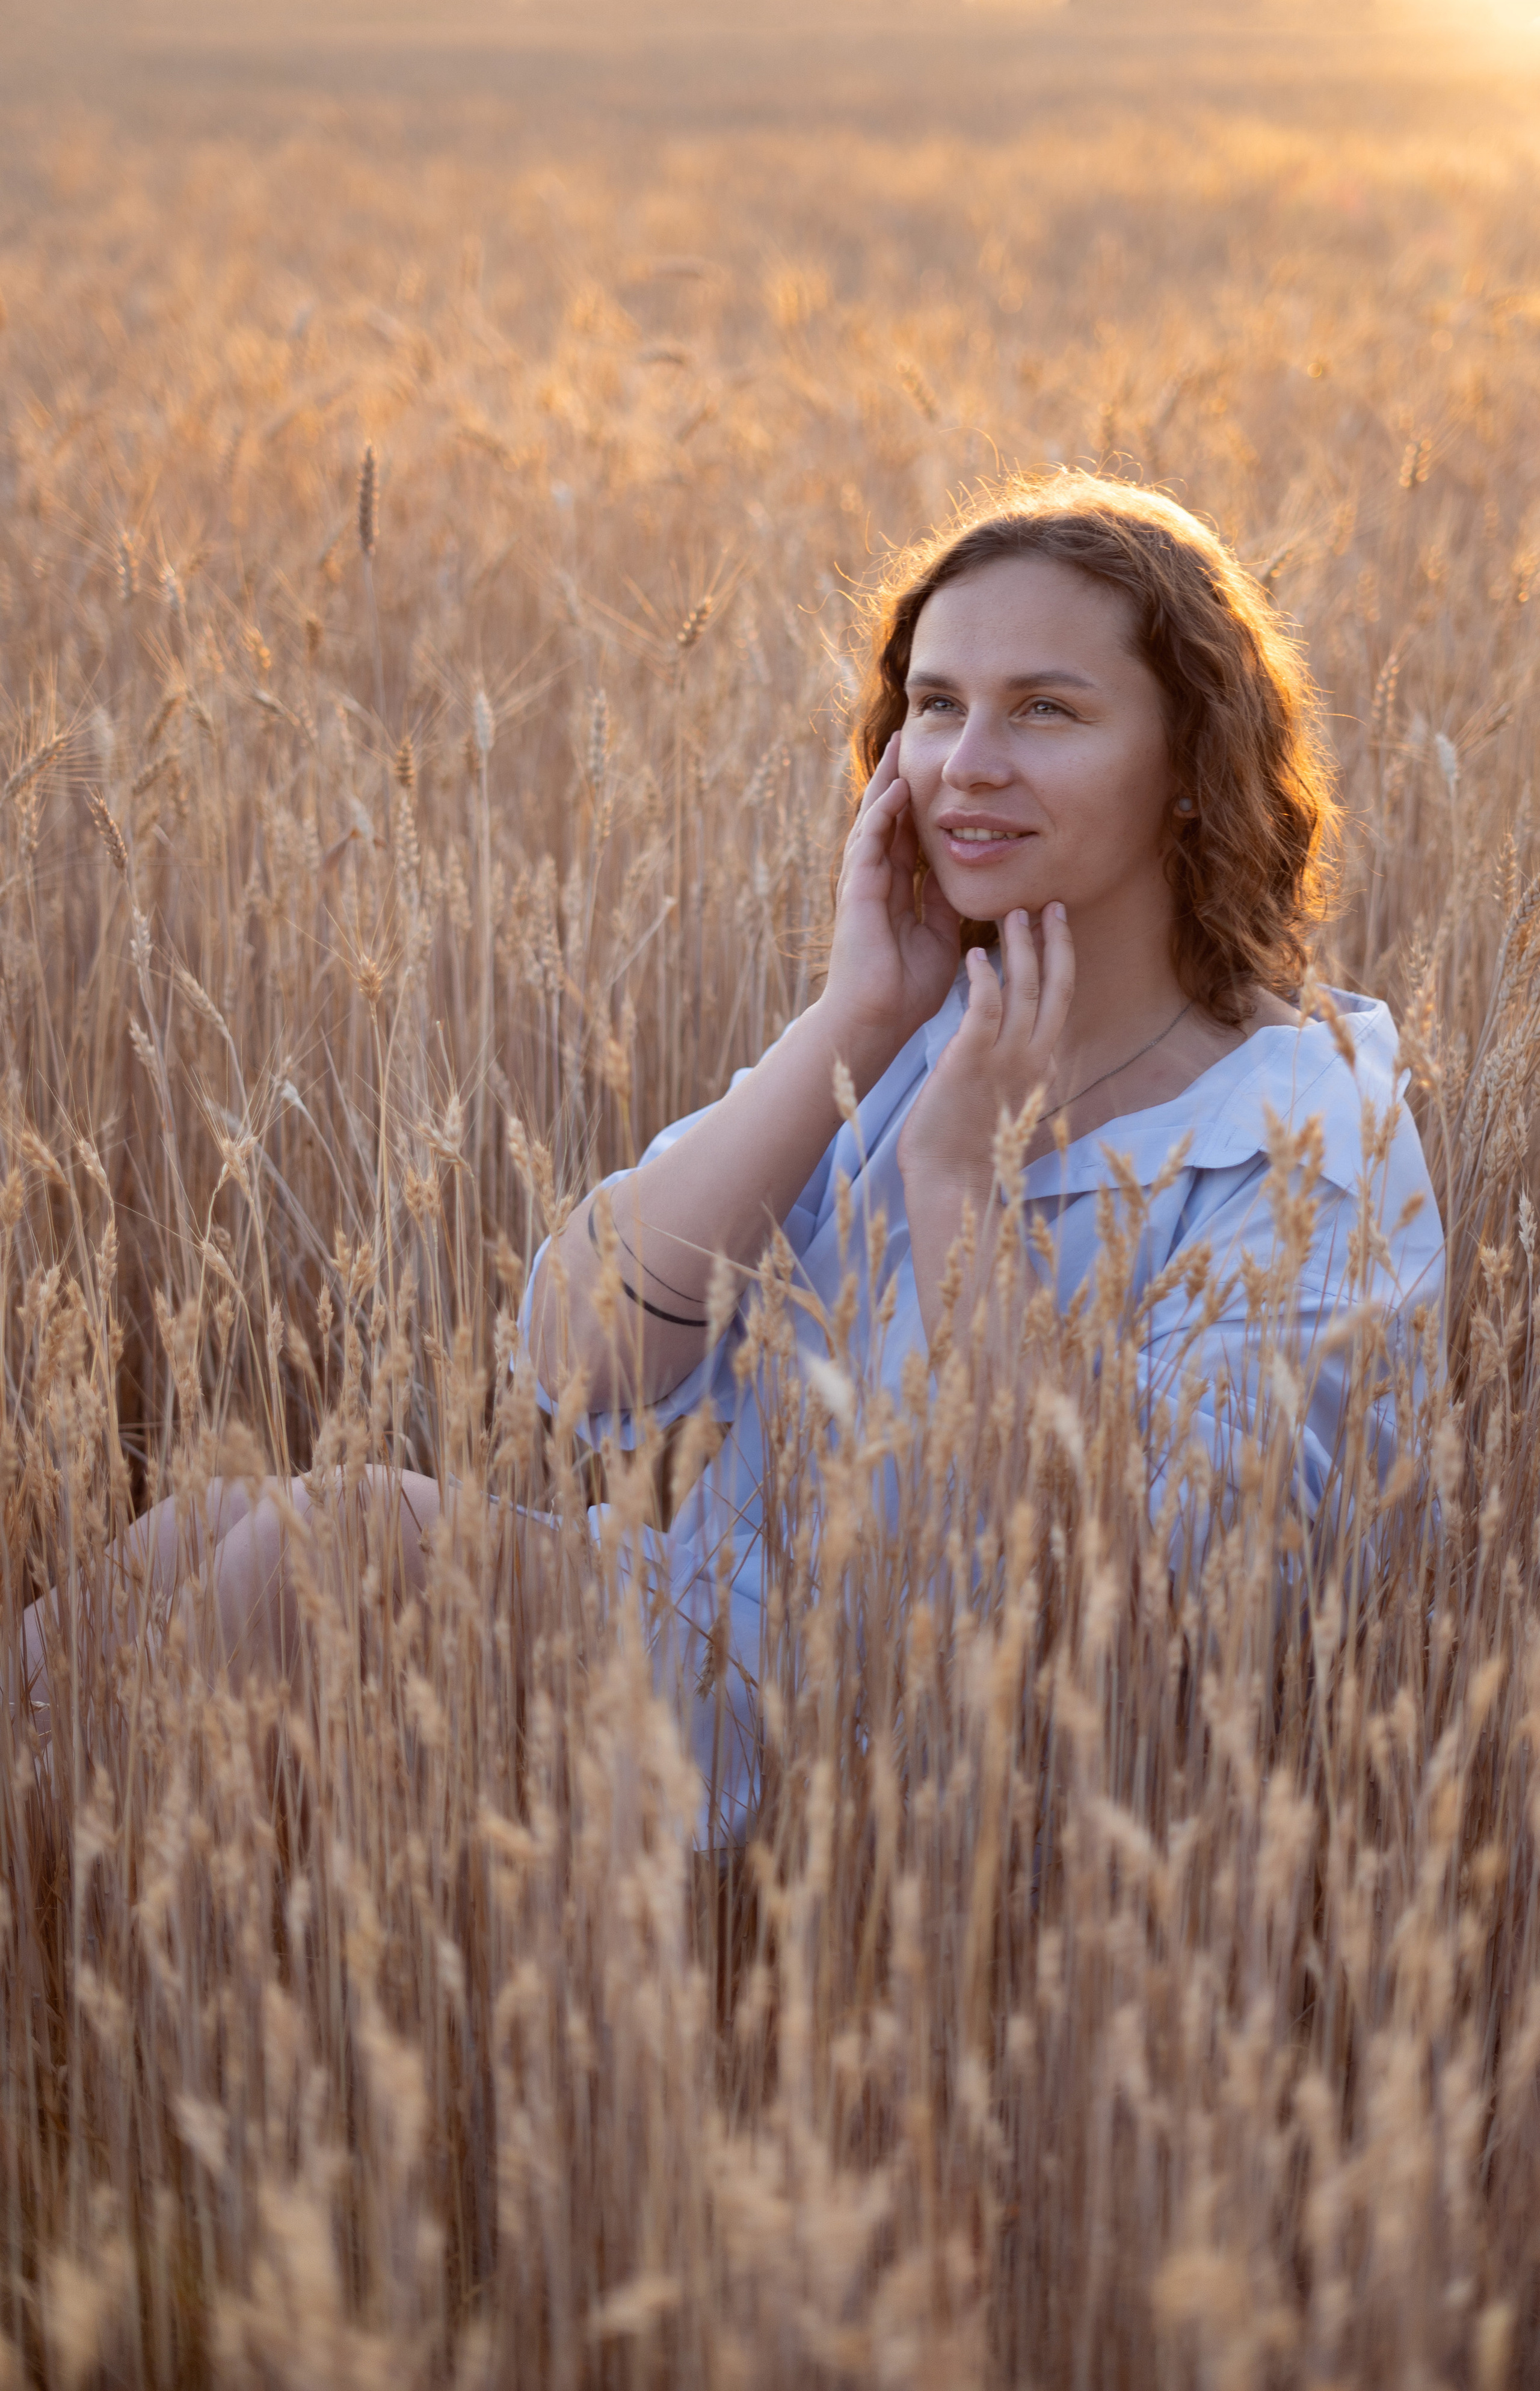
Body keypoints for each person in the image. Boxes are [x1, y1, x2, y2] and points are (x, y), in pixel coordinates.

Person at [21, 473, 1446, 1833]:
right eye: (935, 704)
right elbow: (582, 1360)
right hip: (691, 1625)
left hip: (901, 1759)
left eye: (1046, 709)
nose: (964, 763)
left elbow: (1123, 1619)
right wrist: (851, 1021)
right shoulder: (923, 1021)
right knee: (210, 1526)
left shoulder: (1305, 1142)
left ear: (1190, 766)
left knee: (320, 1550)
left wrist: (962, 1187)